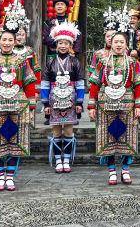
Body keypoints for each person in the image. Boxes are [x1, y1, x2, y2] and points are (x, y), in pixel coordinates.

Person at [0, 2, 38, 192]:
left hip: (18, 106)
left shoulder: (22, 61)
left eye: (10, 40)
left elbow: (29, 84)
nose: (7, 43)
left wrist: (31, 108)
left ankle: (10, 175)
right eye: (4, 39)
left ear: (14, 41)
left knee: (15, 139)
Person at [88, 22, 140, 186]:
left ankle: (126, 169)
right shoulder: (102, 62)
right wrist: (91, 105)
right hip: (105, 106)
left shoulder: (133, 63)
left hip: (128, 105)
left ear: (126, 44)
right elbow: (94, 84)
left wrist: (139, 106)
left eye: (122, 42)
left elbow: (139, 85)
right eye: (116, 42)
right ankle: (112, 170)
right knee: (108, 137)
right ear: (111, 43)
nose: (119, 45)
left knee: (128, 136)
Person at [42, 21, 86, 174]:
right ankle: (58, 160)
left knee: (68, 130)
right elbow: (45, 83)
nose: (63, 46)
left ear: (70, 45)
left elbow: (80, 83)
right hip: (54, 100)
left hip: (70, 99)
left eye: (66, 43)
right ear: (56, 44)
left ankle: (66, 160)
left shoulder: (75, 62)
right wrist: (45, 103)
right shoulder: (50, 62)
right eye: (60, 43)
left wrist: (80, 102)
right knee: (56, 131)